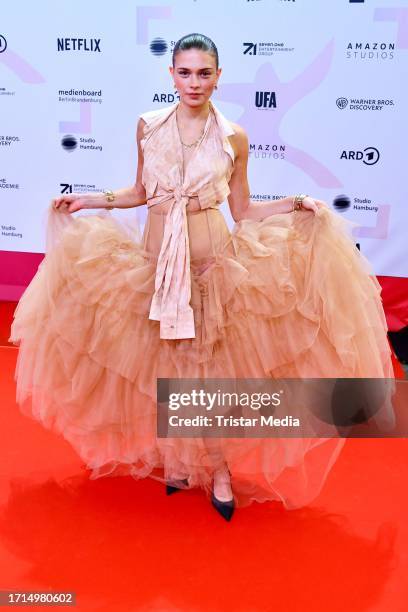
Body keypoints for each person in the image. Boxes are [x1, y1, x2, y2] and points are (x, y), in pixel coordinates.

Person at [9, 33, 394, 522]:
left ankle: (219, 470)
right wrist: (88, 199)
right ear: (171, 74)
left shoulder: (233, 136)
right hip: (155, 264)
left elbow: (242, 209)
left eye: (204, 73)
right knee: (162, 362)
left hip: (212, 265)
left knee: (209, 369)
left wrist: (295, 204)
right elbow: (139, 192)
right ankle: (177, 458)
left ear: (218, 76)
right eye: (185, 72)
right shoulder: (148, 126)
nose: (194, 82)